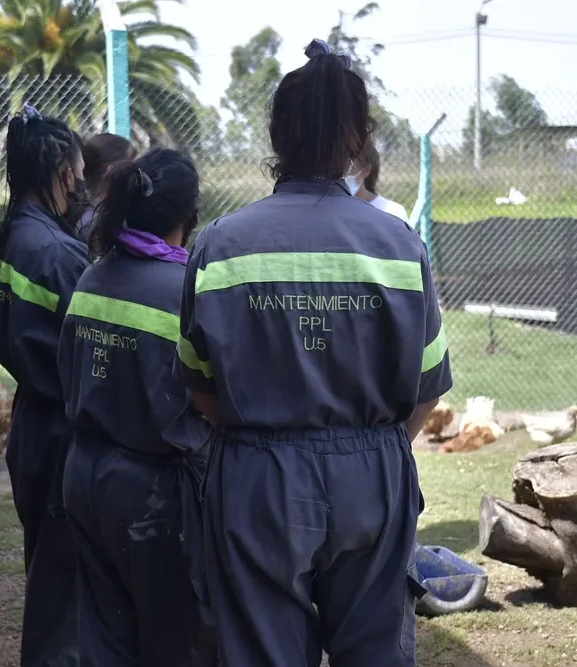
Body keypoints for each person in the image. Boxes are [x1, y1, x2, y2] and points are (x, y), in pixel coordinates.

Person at [174, 38, 452, 667]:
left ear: (276, 135)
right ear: (358, 139)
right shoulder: (397, 245)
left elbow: (198, 385)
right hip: (373, 473)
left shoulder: (220, 245)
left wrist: (266, 441)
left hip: (257, 477)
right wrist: (370, 450)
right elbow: (428, 385)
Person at [59, 148, 216, 667]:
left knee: (105, 632)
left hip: (85, 477)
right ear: (190, 218)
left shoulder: (92, 277)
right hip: (155, 494)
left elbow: (68, 373)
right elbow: (217, 399)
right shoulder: (185, 292)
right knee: (177, 638)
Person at [0, 105, 89, 667]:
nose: (80, 183)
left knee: (49, 573)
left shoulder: (13, 236)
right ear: (61, 171)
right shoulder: (56, 253)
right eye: (77, 171)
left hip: (33, 424)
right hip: (63, 431)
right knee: (63, 595)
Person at [76, 133, 138, 241]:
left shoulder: (110, 211)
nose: (137, 174)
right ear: (110, 172)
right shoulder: (93, 223)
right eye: (131, 168)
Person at [347, 139, 410, 223]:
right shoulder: (333, 210)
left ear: (366, 170)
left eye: (349, 170)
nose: (342, 178)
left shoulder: (393, 212)